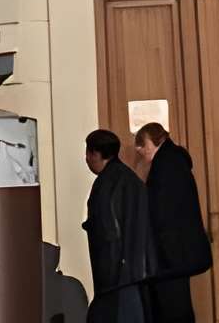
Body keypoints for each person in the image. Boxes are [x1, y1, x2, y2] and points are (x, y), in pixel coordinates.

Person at [132, 122, 212, 323]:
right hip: (178, 252)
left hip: (170, 254)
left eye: (142, 145)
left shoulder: (165, 165)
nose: (140, 151)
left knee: (172, 309)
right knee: (177, 306)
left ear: (153, 142)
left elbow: (161, 212)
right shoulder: (174, 160)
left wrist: (157, 254)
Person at [84, 127, 155, 322]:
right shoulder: (128, 178)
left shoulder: (106, 184)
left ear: (96, 154)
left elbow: (107, 230)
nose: (86, 159)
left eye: (88, 153)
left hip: (116, 273)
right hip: (133, 269)